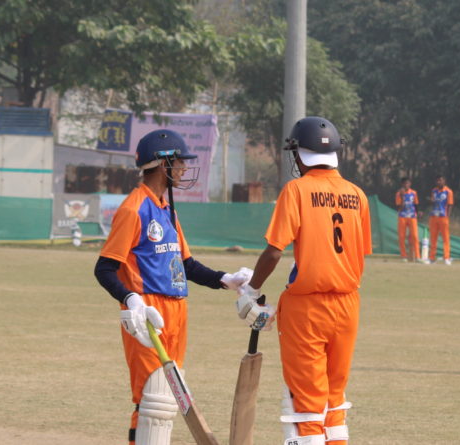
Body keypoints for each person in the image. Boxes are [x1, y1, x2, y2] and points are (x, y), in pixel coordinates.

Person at [93, 129, 250, 445]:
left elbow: (186, 265)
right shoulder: (133, 208)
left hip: (178, 310)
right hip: (148, 312)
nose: (182, 169)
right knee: (152, 399)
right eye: (179, 162)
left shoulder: (167, 209)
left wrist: (225, 279)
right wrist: (131, 299)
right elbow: (104, 268)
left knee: (167, 397)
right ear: (162, 164)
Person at [238, 116, 370, 445]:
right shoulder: (358, 195)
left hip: (308, 307)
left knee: (305, 406)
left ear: (299, 154)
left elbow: (273, 252)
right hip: (348, 305)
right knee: (334, 401)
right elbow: (357, 252)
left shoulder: (297, 190)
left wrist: (251, 290)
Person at [428, 176, 454, 264]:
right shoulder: (434, 191)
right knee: (433, 238)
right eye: (438, 181)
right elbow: (432, 202)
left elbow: (450, 204)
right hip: (434, 216)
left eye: (441, 181)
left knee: (445, 238)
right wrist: (431, 201)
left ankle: (446, 257)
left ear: (444, 181)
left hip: (443, 217)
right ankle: (431, 258)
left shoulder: (448, 191)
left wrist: (448, 216)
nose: (439, 182)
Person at [395, 178, 419, 262]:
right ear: (402, 184)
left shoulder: (414, 193)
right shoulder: (399, 194)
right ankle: (404, 256)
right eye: (404, 184)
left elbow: (416, 205)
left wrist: (417, 214)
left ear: (410, 184)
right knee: (402, 236)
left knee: (415, 236)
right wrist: (402, 197)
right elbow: (399, 208)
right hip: (402, 216)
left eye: (408, 183)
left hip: (412, 216)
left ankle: (417, 256)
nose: (406, 185)